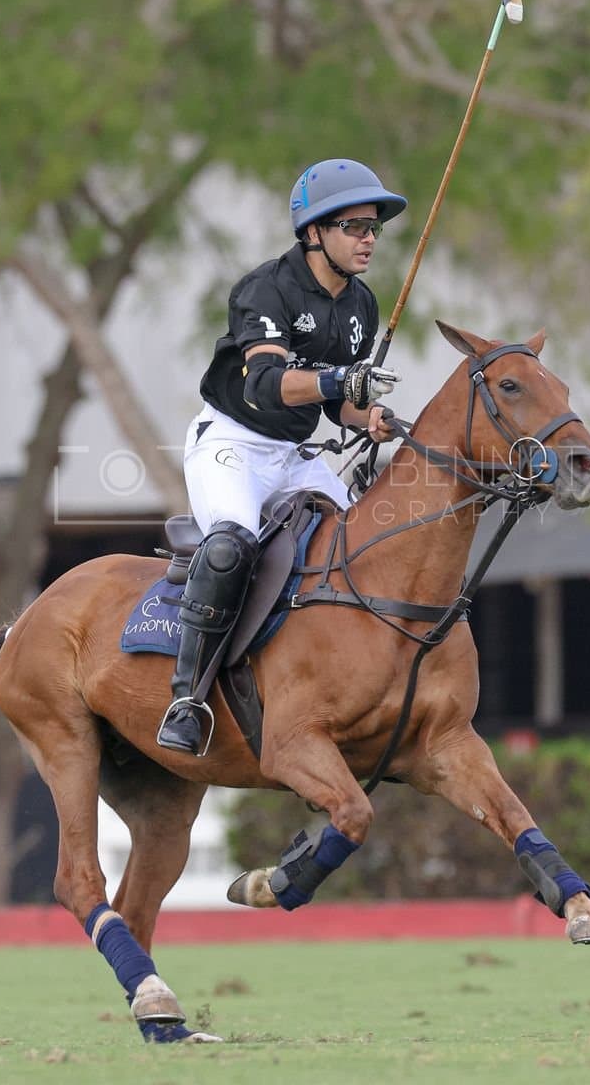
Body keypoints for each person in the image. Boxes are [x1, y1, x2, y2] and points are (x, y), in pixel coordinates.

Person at [157, 158, 408, 754]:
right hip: (232, 445)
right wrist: (339, 383)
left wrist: (367, 416)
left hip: (295, 452)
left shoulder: (362, 305)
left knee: (369, 543)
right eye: (354, 226)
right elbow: (266, 383)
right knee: (229, 546)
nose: (369, 238)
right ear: (314, 232)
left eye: (374, 227)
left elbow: (336, 407)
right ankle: (187, 700)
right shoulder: (264, 288)